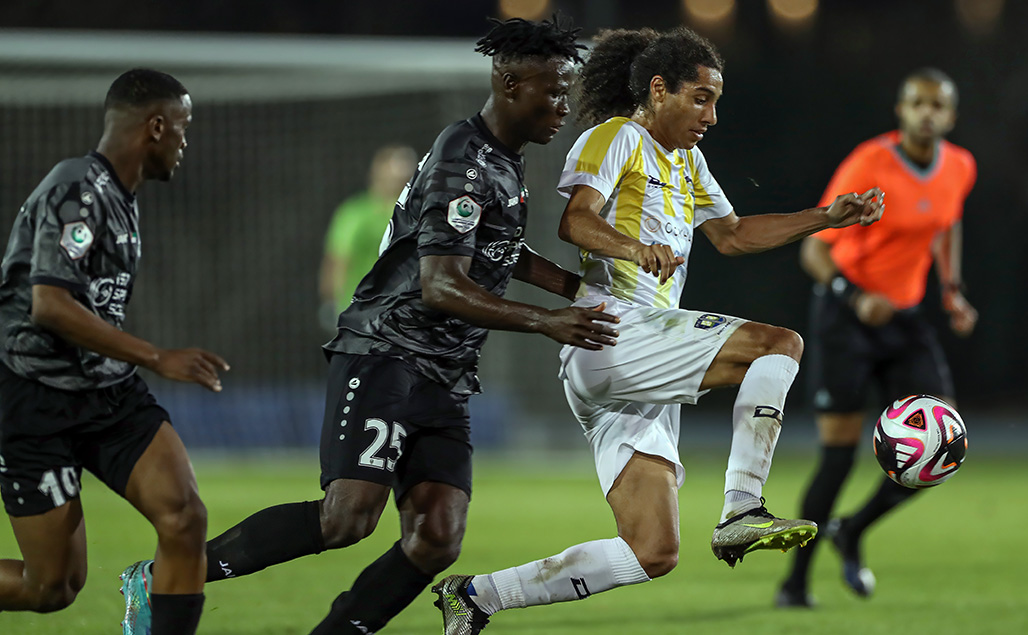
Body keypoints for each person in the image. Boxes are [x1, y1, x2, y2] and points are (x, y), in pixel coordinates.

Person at [118, 14, 609, 635]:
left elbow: (498, 253)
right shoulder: (464, 155)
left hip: (446, 370)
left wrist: (579, 286)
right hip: (389, 352)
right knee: (346, 518)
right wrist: (548, 320)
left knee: (437, 536)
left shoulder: (504, 163)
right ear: (511, 84)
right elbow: (440, 283)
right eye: (555, 90)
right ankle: (163, 575)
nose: (565, 104)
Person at [432, 27, 884, 634]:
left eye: (715, 101)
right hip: (615, 330)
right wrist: (632, 247)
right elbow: (575, 221)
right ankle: (742, 506)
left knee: (652, 552)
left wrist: (824, 218)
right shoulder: (619, 137)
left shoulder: (687, 160)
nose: (712, 115)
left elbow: (734, 235)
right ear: (657, 89)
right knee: (778, 345)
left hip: (633, 362)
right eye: (700, 98)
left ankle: (475, 597)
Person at [0, 69, 225, 635]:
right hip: (33, 396)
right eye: (182, 128)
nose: (184, 142)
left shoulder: (122, 200)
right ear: (155, 126)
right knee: (51, 587)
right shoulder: (77, 187)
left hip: (106, 391)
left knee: (183, 516)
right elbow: (49, 304)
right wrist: (155, 356)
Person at [776, 67, 978, 608]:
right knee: (838, 458)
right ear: (901, 110)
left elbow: (947, 223)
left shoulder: (959, 166)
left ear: (951, 117)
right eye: (918, 103)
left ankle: (854, 529)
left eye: (938, 105)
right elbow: (813, 249)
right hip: (846, 317)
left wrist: (952, 289)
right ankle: (794, 585)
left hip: (904, 321)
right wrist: (854, 295)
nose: (927, 113)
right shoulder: (871, 163)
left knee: (944, 446)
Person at [318, 145, 417, 327]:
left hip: (406, 313)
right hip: (361, 314)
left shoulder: (418, 214)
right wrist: (332, 304)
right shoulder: (355, 214)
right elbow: (337, 261)